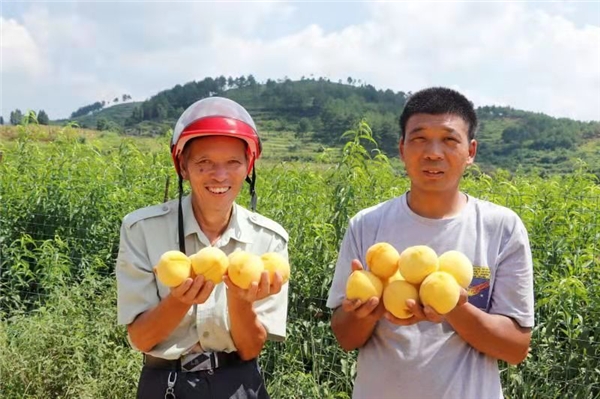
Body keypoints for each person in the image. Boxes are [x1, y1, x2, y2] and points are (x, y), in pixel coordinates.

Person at [326, 87, 534, 399]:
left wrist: (453, 307)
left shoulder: (501, 227)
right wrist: (366, 309)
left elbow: (515, 347)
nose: (433, 152)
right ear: (401, 148)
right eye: (420, 138)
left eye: (449, 140)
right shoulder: (367, 225)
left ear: (471, 151)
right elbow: (345, 337)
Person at [116, 97, 289, 399]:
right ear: (183, 166)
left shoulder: (269, 240)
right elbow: (141, 339)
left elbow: (250, 348)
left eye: (233, 162)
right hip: (165, 385)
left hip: (239, 385)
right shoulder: (141, 229)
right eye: (204, 162)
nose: (219, 176)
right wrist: (178, 301)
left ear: (248, 166)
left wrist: (240, 299)